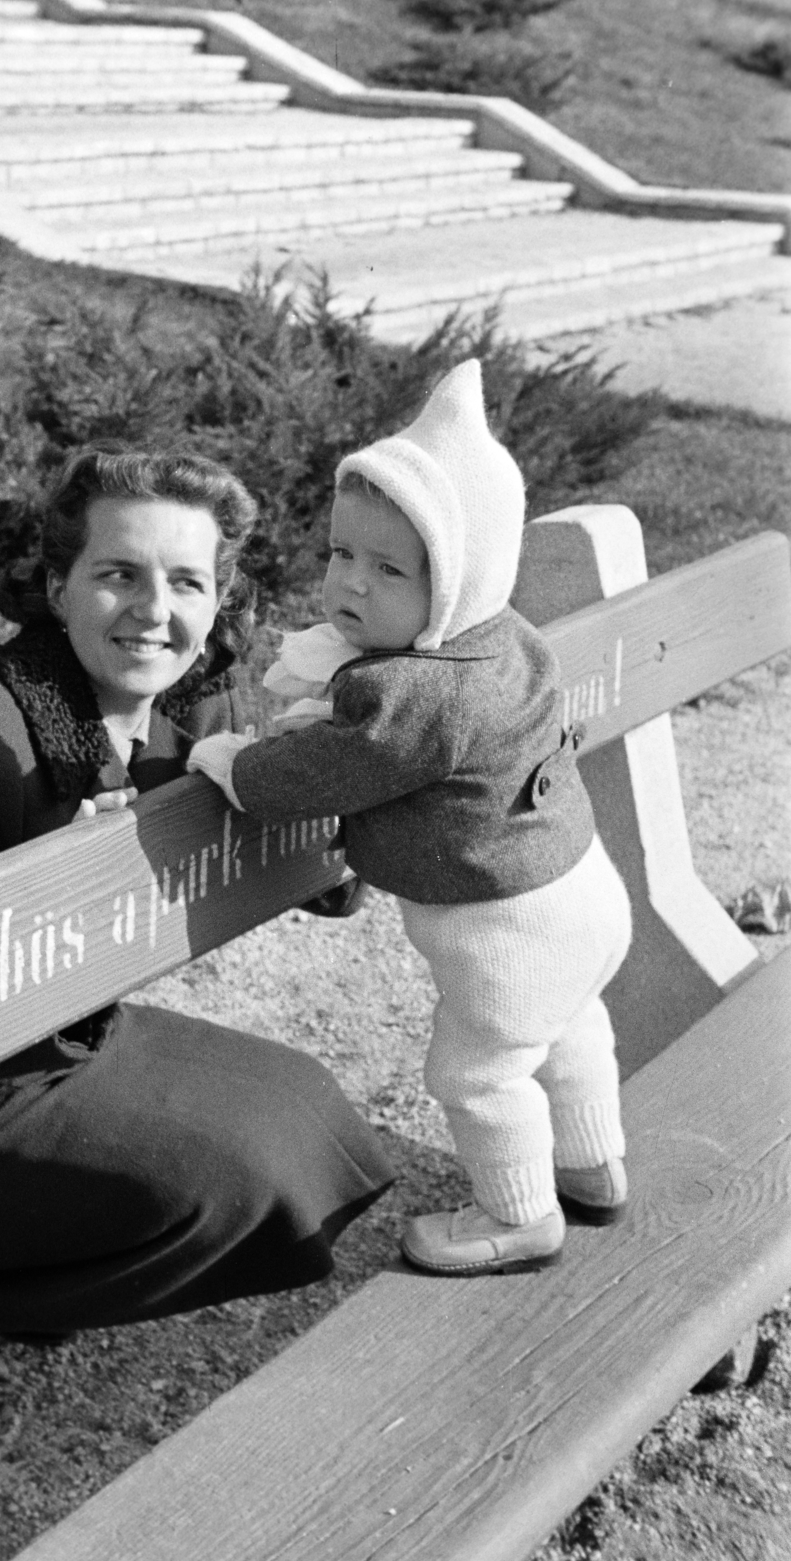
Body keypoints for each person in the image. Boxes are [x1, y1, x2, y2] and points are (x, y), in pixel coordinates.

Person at [0, 448, 394, 1439]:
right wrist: (48, 898)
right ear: (56, 584)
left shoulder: (196, 692)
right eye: (119, 574)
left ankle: (0, 1263)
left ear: (218, 594)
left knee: (315, 1128)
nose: (153, 609)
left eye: (186, 581)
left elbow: (277, 834)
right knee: (237, 1177)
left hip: (51, 1038)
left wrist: (335, 840)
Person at [188, 360, 633, 1277]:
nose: (350, 584)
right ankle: (591, 1165)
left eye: (389, 568)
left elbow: (323, 769)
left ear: (461, 577)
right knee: (573, 1023)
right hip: (583, 890)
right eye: (340, 554)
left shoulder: (419, 695)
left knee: (478, 1073)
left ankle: (518, 1218)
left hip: (503, 923)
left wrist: (236, 765)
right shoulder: (504, 638)